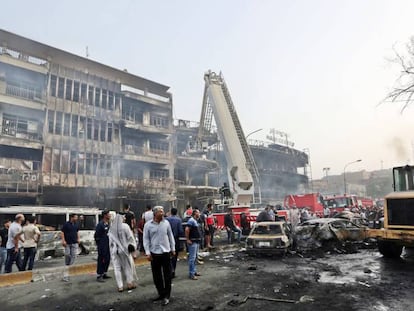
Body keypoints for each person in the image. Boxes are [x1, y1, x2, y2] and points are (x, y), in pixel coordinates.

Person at [143, 206, 175, 306]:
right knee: (157, 277)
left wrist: (173, 249)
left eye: (163, 211)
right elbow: (146, 239)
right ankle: (161, 294)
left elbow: (170, 236)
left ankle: (167, 296)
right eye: (160, 212)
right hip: (154, 254)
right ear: (155, 213)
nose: (163, 213)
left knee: (167, 276)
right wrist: (148, 252)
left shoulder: (166, 223)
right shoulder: (148, 225)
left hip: (165, 253)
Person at [108, 213, 138, 292]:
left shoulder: (111, 229)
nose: (124, 218)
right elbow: (130, 238)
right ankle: (129, 284)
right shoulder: (125, 226)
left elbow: (110, 243)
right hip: (124, 250)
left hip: (115, 251)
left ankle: (120, 286)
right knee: (127, 267)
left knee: (117, 268)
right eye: (123, 217)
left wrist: (112, 252)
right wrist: (133, 247)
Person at [61, 213, 80, 282]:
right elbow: (62, 232)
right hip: (67, 243)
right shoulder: (66, 224)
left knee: (74, 256)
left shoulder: (76, 224)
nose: (76, 218)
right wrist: (63, 240)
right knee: (67, 255)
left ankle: (68, 270)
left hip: (74, 243)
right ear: (72, 217)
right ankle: (67, 266)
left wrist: (78, 238)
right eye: (75, 217)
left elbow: (77, 232)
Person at [166, 207, 184, 278]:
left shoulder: (167, 219)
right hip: (175, 239)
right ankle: (173, 270)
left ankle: (169, 270)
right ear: (176, 213)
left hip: (167, 239)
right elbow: (180, 231)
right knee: (174, 255)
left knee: (168, 255)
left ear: (171, 212)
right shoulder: (179, 220)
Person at [185, 209, 202, 280]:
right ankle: (191, 274)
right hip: (193, 242)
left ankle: (194, 271)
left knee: (194, 258)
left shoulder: (195, 220)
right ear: (195, 213)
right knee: (192, 259)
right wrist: (188, 239)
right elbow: (187, 229)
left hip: (196, 242)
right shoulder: (191, 220)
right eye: (198, 212)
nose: (200, 214)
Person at [95, 209, 111, 282]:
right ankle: (99, 275)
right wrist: (100, 244)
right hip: (102, 245)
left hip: (108, 244)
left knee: (107, 259)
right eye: (108, 214)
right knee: (101, 259)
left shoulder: (108, 223)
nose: (110, 215)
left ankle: (105, 272)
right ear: (105, 215)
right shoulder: (100, 224)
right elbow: (96, 236)